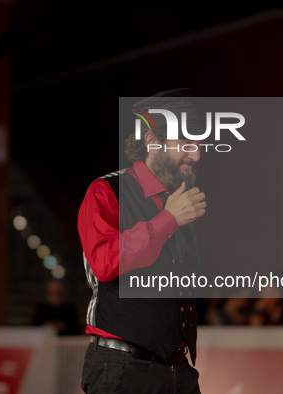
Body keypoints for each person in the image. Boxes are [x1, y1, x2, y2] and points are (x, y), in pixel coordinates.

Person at [78, 89, 206, 393]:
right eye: (186, 144)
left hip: (178, 369)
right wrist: (169, 220)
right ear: (152, 141)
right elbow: (104, 263)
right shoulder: (105, 190)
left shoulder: (177, 202)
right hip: (122, 369)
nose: (196, 155)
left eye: (200, 145)